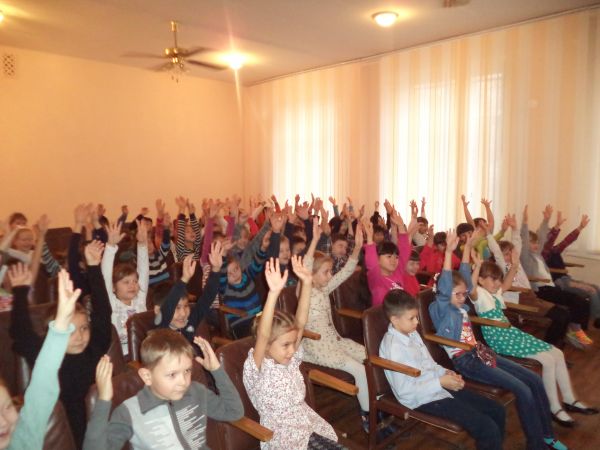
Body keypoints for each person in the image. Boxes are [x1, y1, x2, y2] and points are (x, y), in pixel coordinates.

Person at [429, 230, 567, 450]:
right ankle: (536, 444)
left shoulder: (459, 302)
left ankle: (548, 436)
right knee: (522, 389)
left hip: (479, 352)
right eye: (458, 295)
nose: (464, 298)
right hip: (466, 360)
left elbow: (465, 280)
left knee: (534, 379)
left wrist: (467, 249)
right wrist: (448, 253)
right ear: (444, 293)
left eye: (464, 294)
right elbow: (446, 288)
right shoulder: (441, 308)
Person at [470, 257, 598, 427]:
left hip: (511, 334)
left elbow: (506, 284)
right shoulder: (479, 296)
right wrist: (477, 267)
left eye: (498, 279)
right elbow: (471, 287)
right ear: (480, 280)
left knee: (557, 353)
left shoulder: (494, 293)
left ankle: (569, 400)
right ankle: (553, 408)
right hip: (500, 339)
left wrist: (514, 266)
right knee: (548, 360)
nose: (497, 283)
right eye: (493, 279)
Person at [380, 289, 505, 450]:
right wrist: (440, 382)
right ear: (395, 320)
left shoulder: (411, 332)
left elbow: (429, 363)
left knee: (497, 410)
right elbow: (405, 392)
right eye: (411, 318)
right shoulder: (394, 349)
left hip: (437, 386)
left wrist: (445, 373)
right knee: (486, 427)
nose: (417, 322)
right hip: (421, 398)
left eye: (416, 317)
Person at [243, 256, 344, 449]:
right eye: (285, 345)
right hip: (284, 437)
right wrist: (273, 293)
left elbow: (301, 322)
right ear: (267, 345)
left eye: (292, 344)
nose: (292, 350)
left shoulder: (289, 359)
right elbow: (263, 335)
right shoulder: (259, 367)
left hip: (306, 425)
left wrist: (306, 283)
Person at [83, 330, 244, 449]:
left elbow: (234, 412)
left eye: (187, 370)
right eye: (172, 374)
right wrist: (103, 400)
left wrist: (216, 369)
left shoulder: (196, 391)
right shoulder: (130, 411)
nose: (183, 382)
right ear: (147, 376)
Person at [1, 268, 80, 450]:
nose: (3, 422)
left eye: (8, 407)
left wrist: (63, 321)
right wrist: (20, 291)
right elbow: (44, 373)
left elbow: (42, 387)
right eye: (72, 330)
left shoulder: (23, 436)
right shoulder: (38, 349)